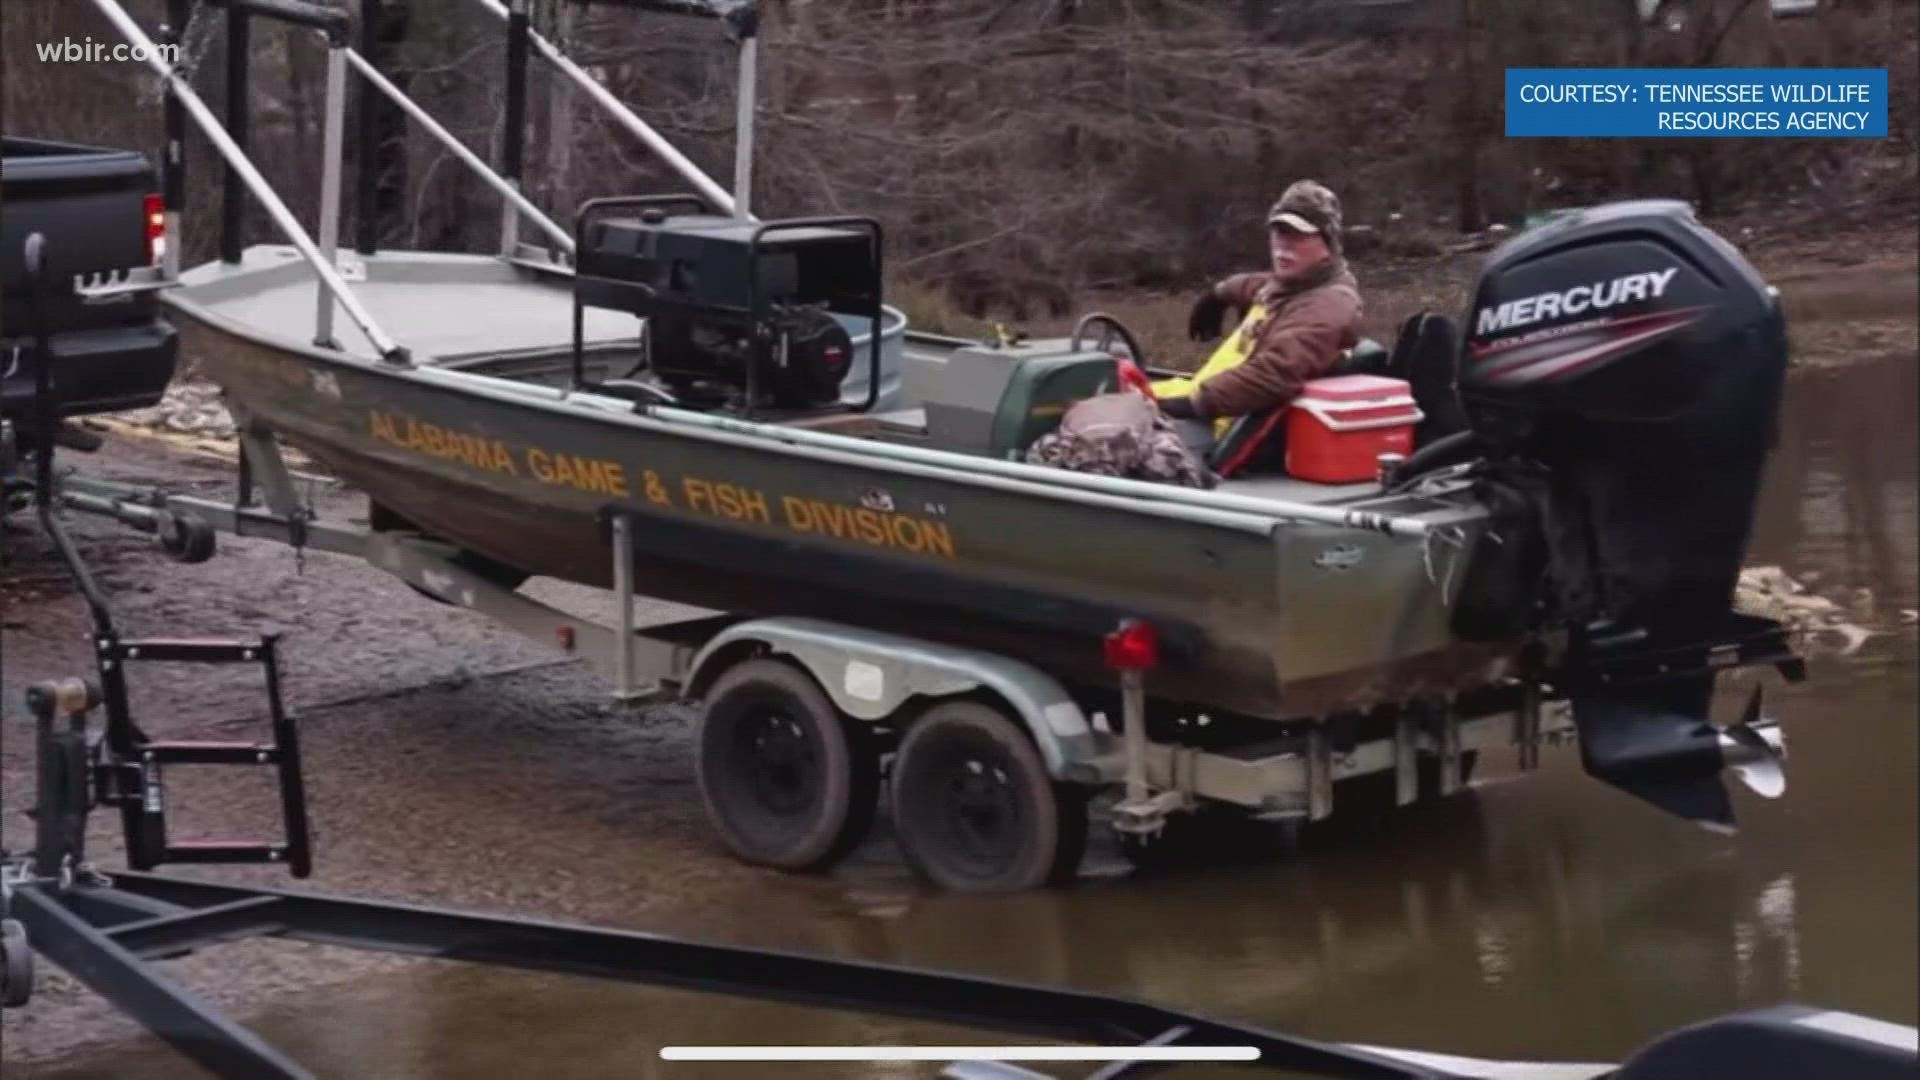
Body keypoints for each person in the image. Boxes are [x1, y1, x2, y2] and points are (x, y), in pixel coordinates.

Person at [1157, 180, 1363, 456]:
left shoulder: (1327, 305)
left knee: (1097, 433)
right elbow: (1257, 285)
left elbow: (1273, 374)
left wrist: (1195, 404)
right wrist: (1218, 295)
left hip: (1222, 426)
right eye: (1278, 234)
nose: (1283, 248)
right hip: (1215, 411)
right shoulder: (1292, 286)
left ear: (1328, 244)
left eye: (1299, 237)